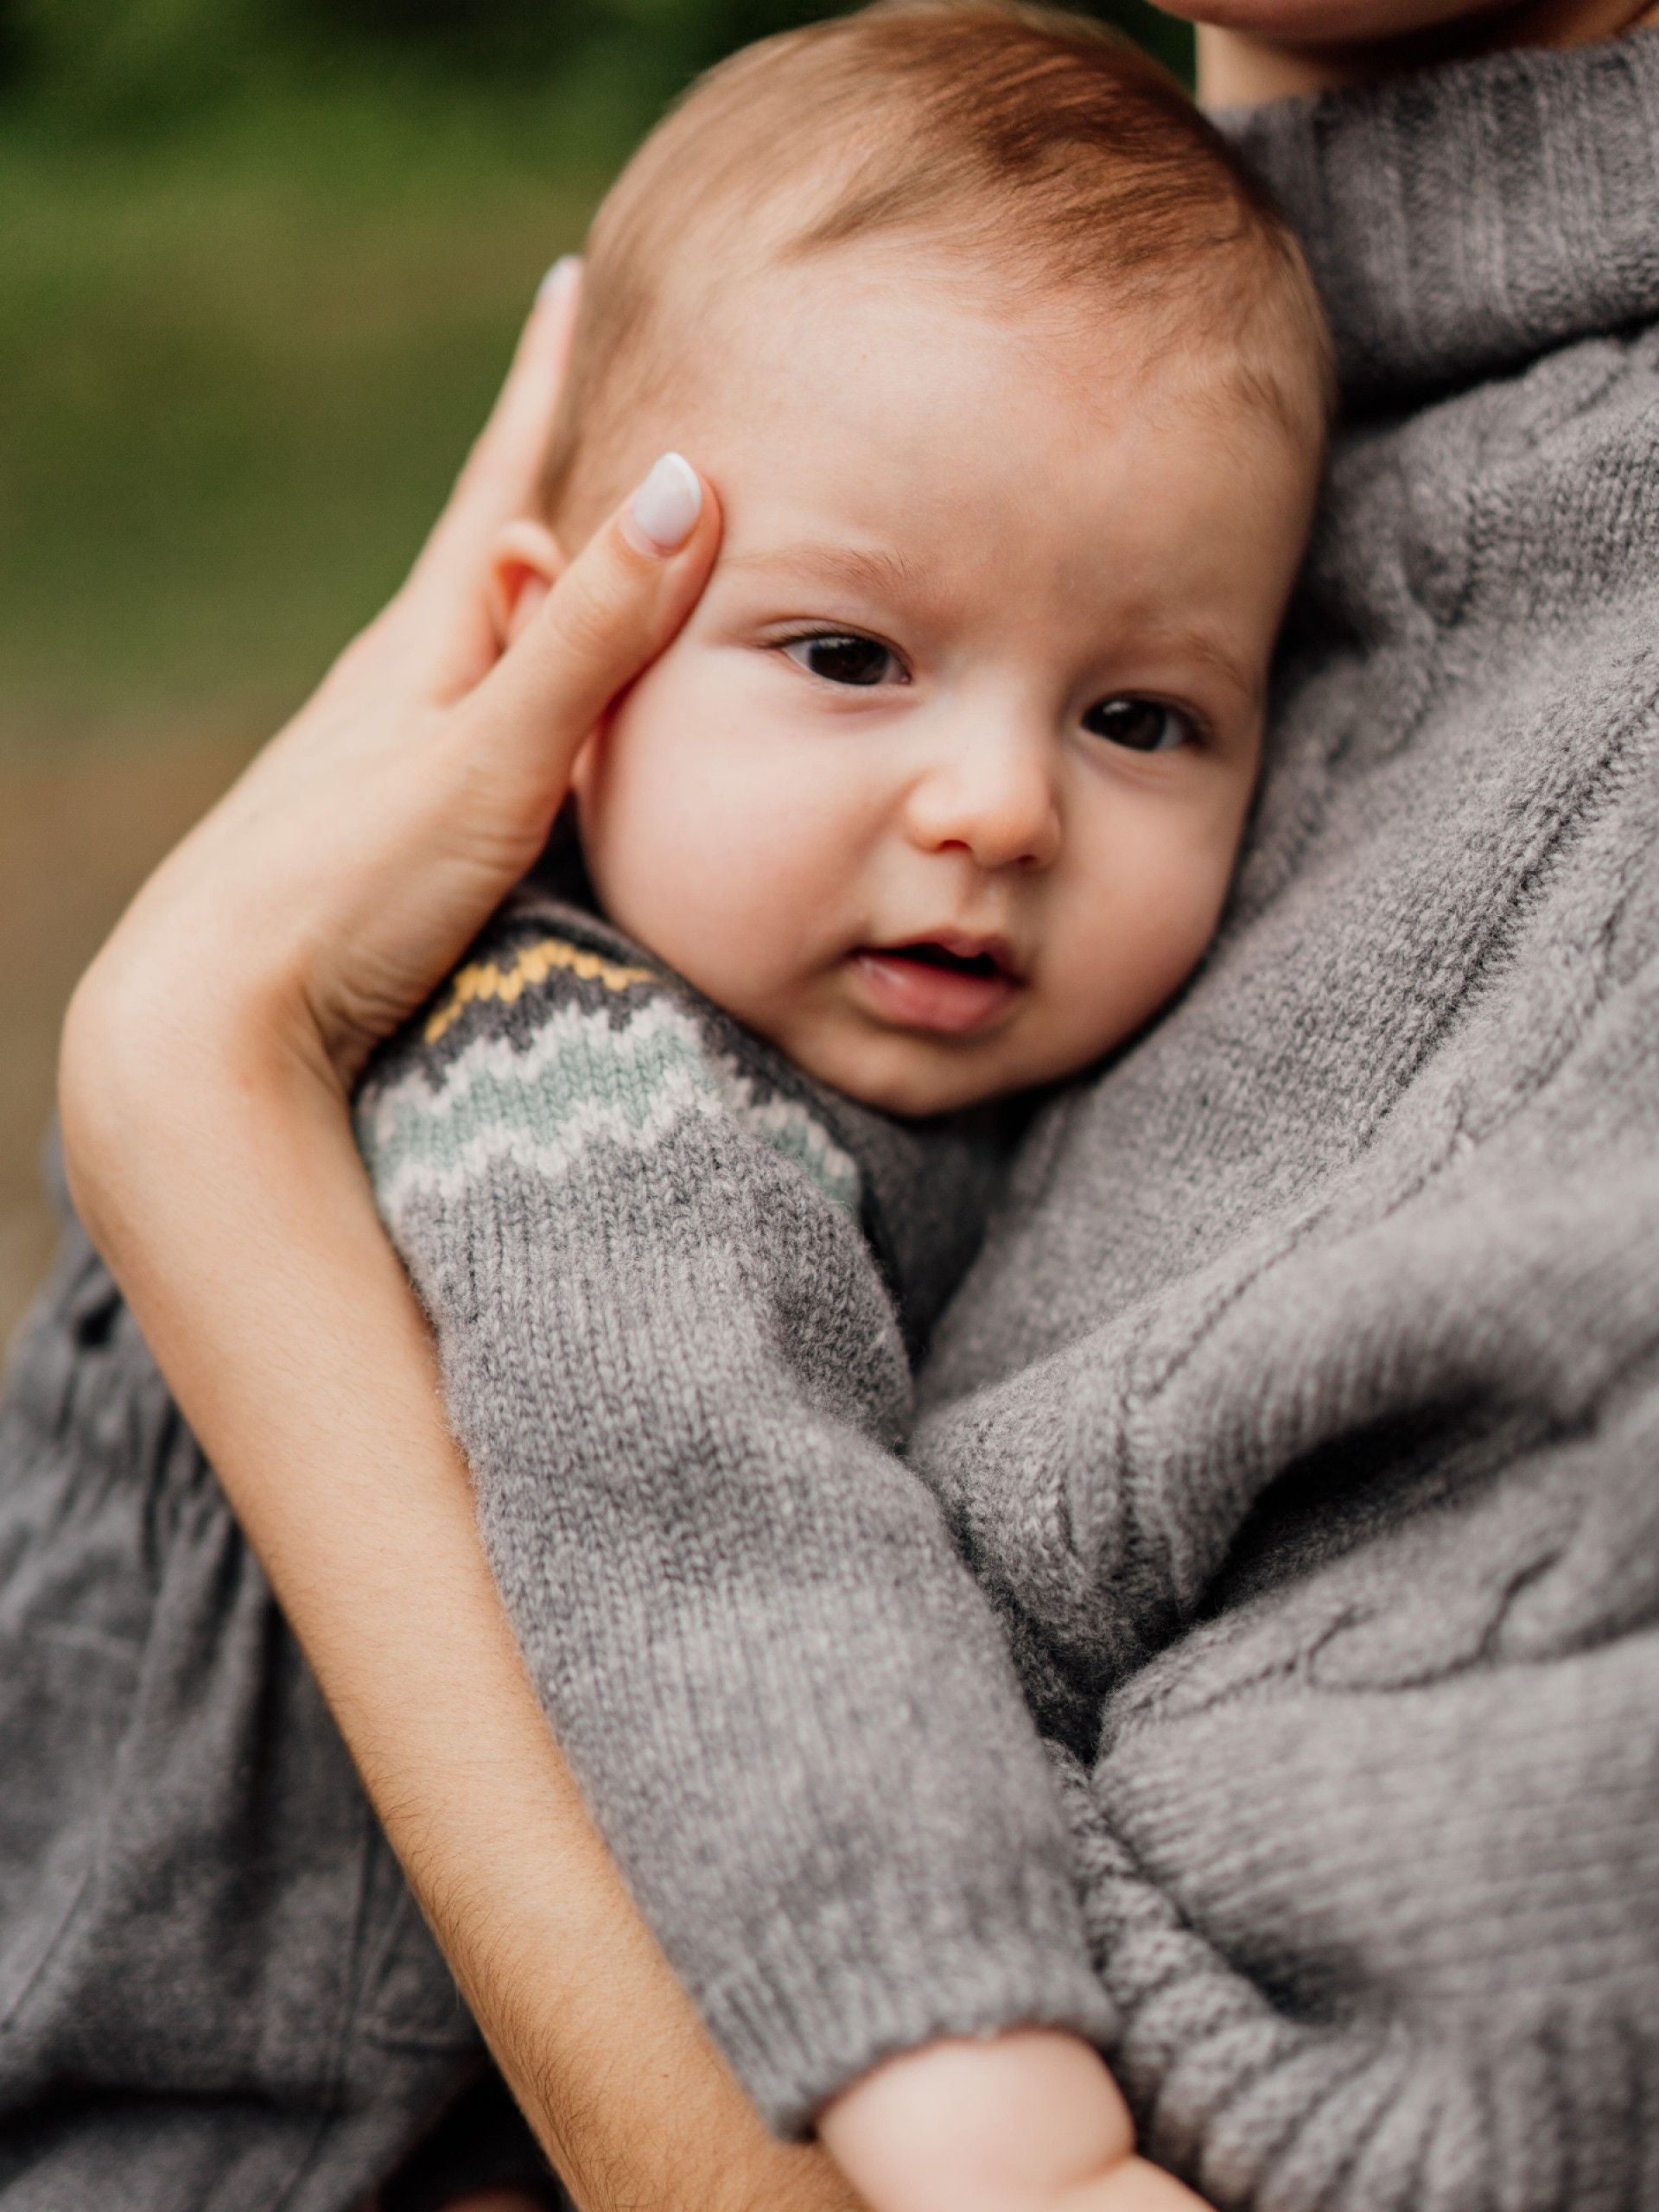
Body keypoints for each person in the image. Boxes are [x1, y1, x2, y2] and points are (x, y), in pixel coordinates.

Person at [27, 0, 1659, 2206]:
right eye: (851, 659)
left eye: (1144, 718)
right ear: (564, 659)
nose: (991, 807)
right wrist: (1001, 2128)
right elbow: (737, 1568)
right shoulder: (576, 1091)